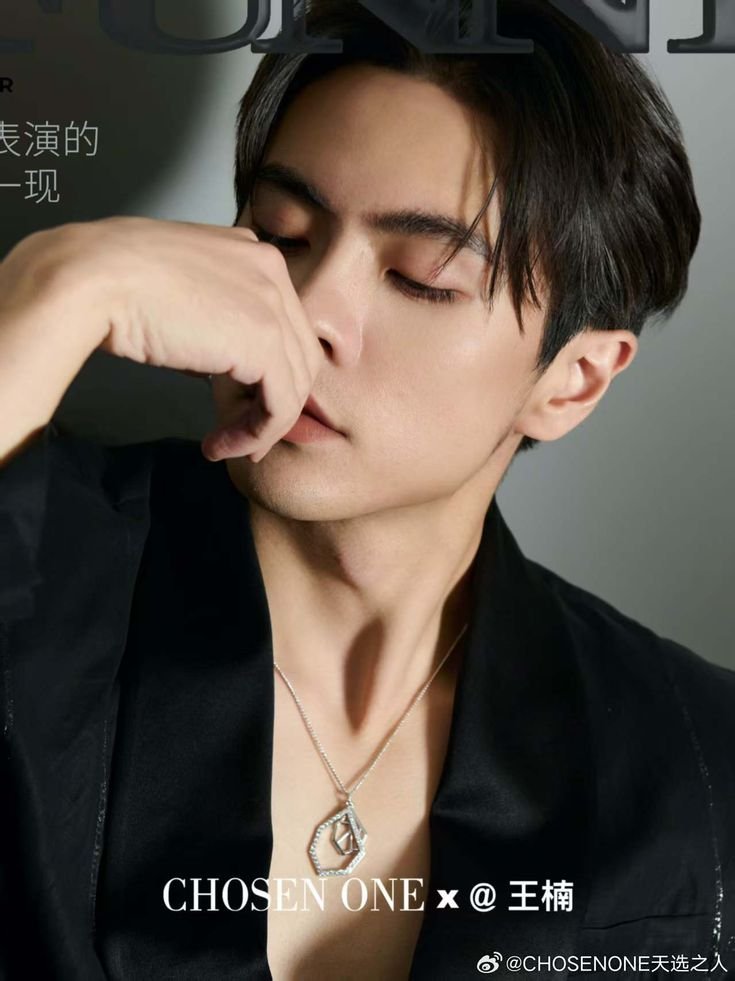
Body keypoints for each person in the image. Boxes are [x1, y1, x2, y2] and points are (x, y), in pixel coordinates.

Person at [1, 1, 733, 978]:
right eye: (283, 234)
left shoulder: (691, 761)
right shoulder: (40, 565)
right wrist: (54, 288)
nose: (310, 312)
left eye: (420, 278)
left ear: (572, 382)